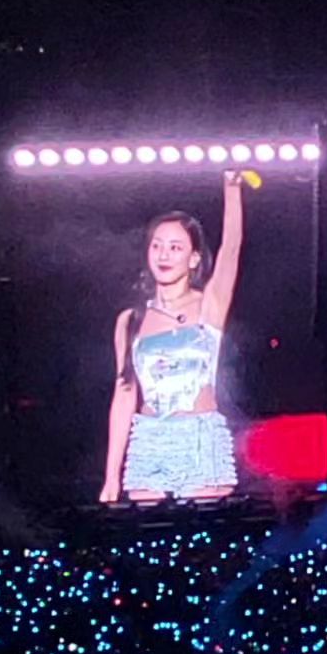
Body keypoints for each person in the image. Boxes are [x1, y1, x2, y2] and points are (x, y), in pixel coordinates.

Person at [100, 172, 245, 504]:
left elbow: (231, 249)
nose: (164, 255)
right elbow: (124, 395)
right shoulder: (130, 320)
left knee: (203, 532)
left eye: (175, 247)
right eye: (157, 246)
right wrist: (111, 476)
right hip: (149, 442)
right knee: (150, 532)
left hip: (199, 439)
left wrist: (232, 188)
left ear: (194, 258)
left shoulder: (208, 306)